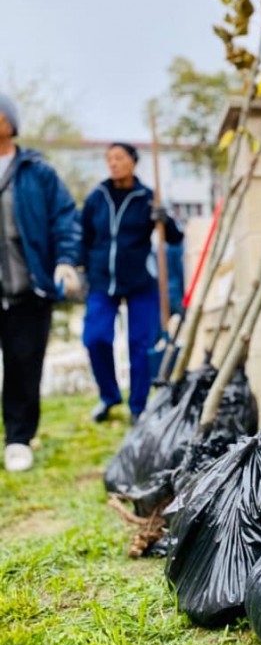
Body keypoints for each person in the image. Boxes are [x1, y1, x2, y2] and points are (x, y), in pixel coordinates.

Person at [0, 94, 82, 473]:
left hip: (27, 290)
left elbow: (65, 218)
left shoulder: (37, 172)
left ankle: (18, 439)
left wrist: (65, 262)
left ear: (11, 122)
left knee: (23, 366)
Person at [81, 142, 183, 425]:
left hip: (140, 281)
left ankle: (138, 406)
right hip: (102, 280)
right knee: (95, 338)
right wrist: (79, 268)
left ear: (133, 162)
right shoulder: (97, 197)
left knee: (140, 345)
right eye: (109, 159)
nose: (113, 163)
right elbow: (83, 235)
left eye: (119, 158)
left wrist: (165, 219)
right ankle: (109, 396)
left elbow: (174, 238)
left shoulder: (148, 198)